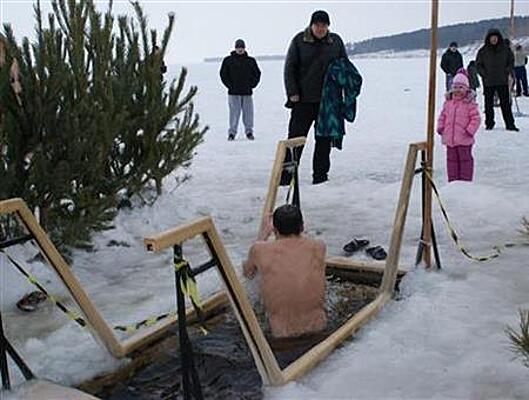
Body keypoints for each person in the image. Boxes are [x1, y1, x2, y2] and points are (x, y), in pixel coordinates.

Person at [282, 10, 347, 185]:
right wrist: (292, 92)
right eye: (317, 25)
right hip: (302, 100)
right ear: (311, 25)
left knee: (324, 140)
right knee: (295, 140)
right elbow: (290, 68)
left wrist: (345, 91)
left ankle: (320, 177)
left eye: (324, 25)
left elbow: (344, 67)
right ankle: (286, 178)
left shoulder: (336, 42)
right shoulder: (299, 41)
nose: (320, 28)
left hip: (328, 102)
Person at [243, 204, 327, 338]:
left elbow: (248, 273)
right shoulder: (318, 247)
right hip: (319, 330)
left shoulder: (259, 250)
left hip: (282, 336)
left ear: (274, 230)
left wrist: (262, 235)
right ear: (302, 226)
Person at [437, 69, 481, 182]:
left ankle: (465, 181)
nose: (457, 90)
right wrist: (440, 127)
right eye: (455, 87)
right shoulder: (448, 103)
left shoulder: (469, 104)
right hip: (450, 138)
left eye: (461, 87)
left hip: (464, 138)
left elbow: (476, 119)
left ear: (466, 89)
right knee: (451, 160)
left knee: (465, 160)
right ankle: (453, 181)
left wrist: (470, 130)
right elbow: (443, 116)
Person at [476, 29, 518, 131]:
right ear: (488, 38)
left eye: (496, 37)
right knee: (488, 105)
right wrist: (484, 74)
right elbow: (478, 65)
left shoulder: (505, 49)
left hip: (502, 80)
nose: (494, 39)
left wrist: (507, 71)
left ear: (498, 38)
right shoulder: (483, 51)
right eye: (492, 37)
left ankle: (510, 124)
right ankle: (489, 124)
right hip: (488, 82)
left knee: (505, 104)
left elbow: (511, 61)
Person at [220, 39, 261, 141]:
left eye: (241, 47)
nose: (240, 49)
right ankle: (232, 133)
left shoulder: (250, 61)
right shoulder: (228, 60)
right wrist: (230, 85)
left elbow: (257, 74)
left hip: (247, 92)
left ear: (244, 48)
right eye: (238, 47)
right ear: (235, 48)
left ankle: (249, 132)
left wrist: (252, 85)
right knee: (234, 113)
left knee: (248, 114)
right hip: (233, 93)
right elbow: (223, 74)